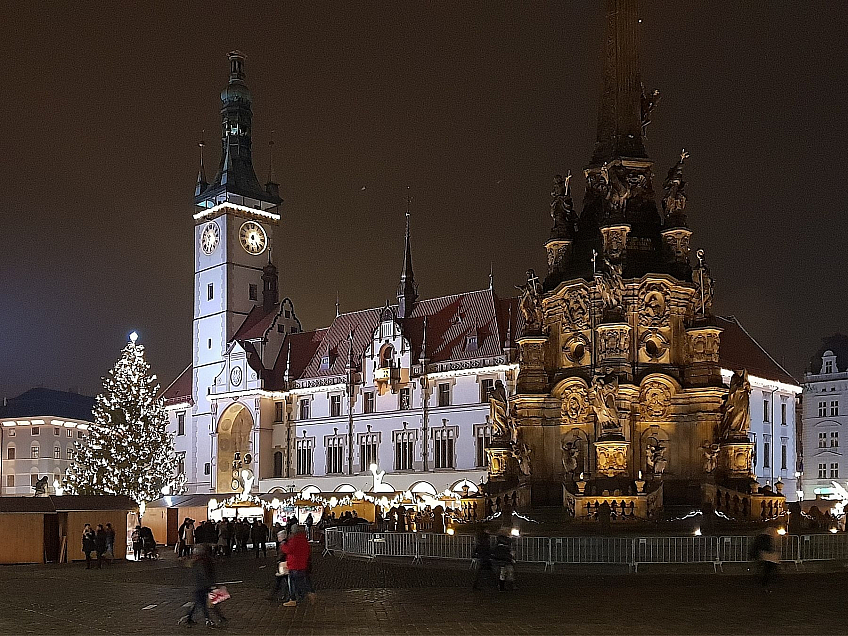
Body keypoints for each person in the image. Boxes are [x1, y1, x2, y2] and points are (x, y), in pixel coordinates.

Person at [178, 544, 226, 628]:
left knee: (202, 602)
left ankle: (190, 618)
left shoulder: (199, 562)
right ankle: (208, 618)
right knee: (206, 603)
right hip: (203, 586)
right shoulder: (202, 562)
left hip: (201, 586)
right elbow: (203, 574)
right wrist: (211, 584)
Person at [282, 525, 316, 607]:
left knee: (292, 583)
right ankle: (310, 593)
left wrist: (283, 544)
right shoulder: (304, 540)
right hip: (303, 564)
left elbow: (288, 550)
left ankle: (293, 599)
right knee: (304, 581)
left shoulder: (294, 540)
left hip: (294, 564)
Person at [268, 531, 291, 603]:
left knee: (281, 579)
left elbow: (282, 554)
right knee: (282, 580)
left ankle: (279, 595)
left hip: (283, 564)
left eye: (279, 537)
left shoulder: (283, 544)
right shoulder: (286, 543)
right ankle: (276, 594)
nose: (278, 538)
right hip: (284, 563)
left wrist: (278, 560)